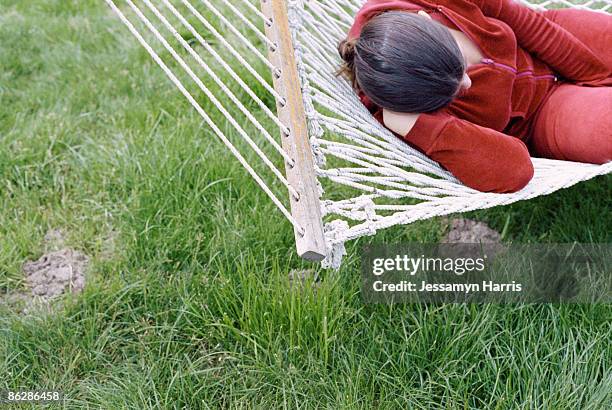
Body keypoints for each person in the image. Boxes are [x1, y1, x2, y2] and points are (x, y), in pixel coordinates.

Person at [338, 0, 612, 192]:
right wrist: (417, 126)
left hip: (540, 40)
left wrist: (591, 71)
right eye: (450, 95)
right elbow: (515, 170)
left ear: (424, 19)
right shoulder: (403, 100)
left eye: (461, 66)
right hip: (541, 114)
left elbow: (521, 19)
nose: (467, 82)